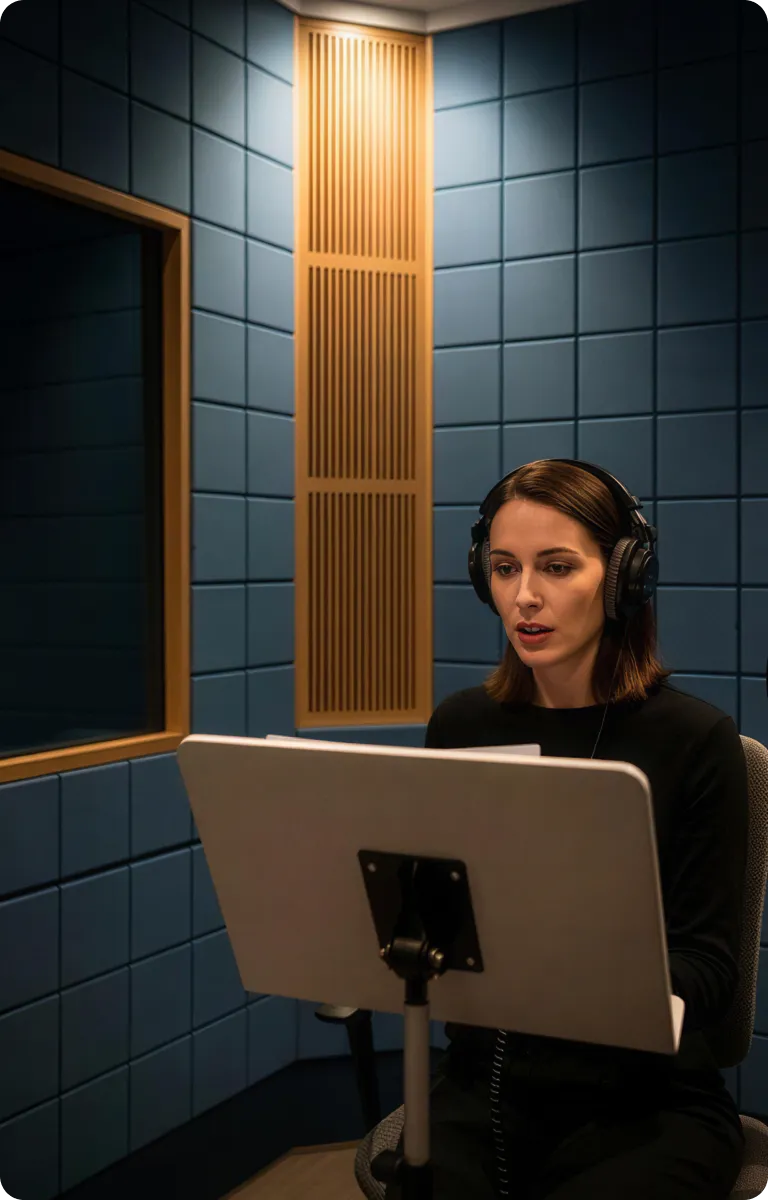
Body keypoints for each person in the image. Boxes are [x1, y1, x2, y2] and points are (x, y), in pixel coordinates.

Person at [386, 458, 748, 1200]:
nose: (524, 596)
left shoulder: (696, 740)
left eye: (556, 567)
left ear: (624, 579)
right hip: (483, 1084)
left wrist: (564, 964)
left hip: (649, 1104)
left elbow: (710, 971)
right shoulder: (462, 725)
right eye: (503, 567)